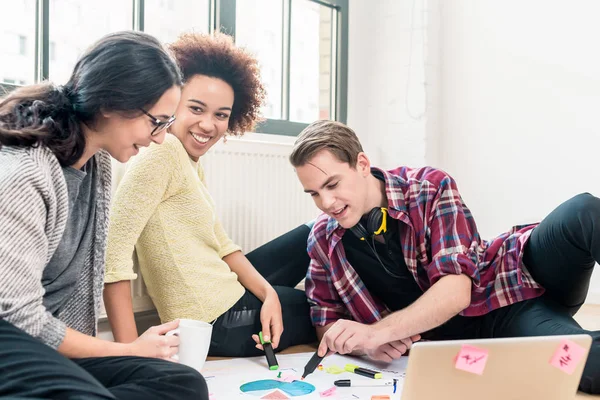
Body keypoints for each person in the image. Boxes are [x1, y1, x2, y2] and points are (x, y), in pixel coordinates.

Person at [289, 119, 600, 394]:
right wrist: (365, 345)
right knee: (588, 363)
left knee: (584, 211)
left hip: (511, 273)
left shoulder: (430, 188)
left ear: (362, 164)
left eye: (332, 185)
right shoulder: (323, 239)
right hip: (502, 320)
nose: (326, 202)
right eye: (314, 193)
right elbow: (325, 324)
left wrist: (376, 332)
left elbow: (456, 290)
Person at [0, 31, 209, 400]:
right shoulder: (24, 175)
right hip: (13, 344)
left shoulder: (97, 164)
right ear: (113, 103)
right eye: (156, 121)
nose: (160, 138)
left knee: (184, 383)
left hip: (49, 350)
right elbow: (19, 320)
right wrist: (126, 350)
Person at [104, 32, 316, 357]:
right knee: (319, 304)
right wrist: (131, 355)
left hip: (223, 292)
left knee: (315, 232)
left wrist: (270, 295)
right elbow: (113, 253)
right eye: (196, 108)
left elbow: (222, 245)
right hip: (215, 321)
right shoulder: (161, 153)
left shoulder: (188, 160)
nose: (208, 125)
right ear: (172, 102)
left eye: (220, 115)